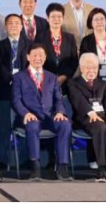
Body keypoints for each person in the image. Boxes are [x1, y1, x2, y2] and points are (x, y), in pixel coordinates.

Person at [11, 43, 72, 181]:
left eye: (41, 55)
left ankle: (62, 166)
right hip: (29, 116)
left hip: (49, 116)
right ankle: (35, 167)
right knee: (32, 126)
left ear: (45, 57)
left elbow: (58, 99)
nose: (38, 58)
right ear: (28, 57)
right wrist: (25, 113)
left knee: (65, 124)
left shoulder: (52, 77)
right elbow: (16, 100)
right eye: (34, 55)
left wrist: (60, 112)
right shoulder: (19, 77)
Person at [68, 54, 106, 182]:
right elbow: (78, 101)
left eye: (94, 68)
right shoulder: (73, 83)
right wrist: (91, 113)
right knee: (101, 127)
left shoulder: (103, 84)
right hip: (84, 118)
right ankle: (101, 169)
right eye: (88, 67)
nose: (92, 71)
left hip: (103, 116)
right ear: (81, 68)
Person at [0, 14, 29, 166]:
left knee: (25, 125)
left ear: (22, 26)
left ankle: (26, 160)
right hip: (3, 91)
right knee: (3, 127)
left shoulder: (30, 45)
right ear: (5, 27)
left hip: (25, 93)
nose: (13, 26)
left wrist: (19, 81)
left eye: (16, 23)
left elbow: (31, 67)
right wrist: (11, 79)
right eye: (10, 23)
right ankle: (2, 159)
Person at [79, 8, 106, 89]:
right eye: (96, 19)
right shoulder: (86, 41)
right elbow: (83, 64)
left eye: (102, 19)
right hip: (93, 85)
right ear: (91, 23)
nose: (99, 22)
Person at [40, 2, 78, 87]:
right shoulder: (40, 37)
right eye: (53, 17)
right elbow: (37, 59)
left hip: (66, 83)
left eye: (59, 16)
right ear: (47, 18)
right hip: (45, 82)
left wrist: (64, 76)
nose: (56, 19)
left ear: (63, 18)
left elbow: (74, 61)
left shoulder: (70, 38)